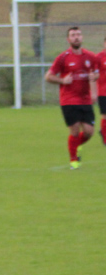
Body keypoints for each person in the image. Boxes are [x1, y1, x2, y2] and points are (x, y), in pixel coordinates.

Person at [44, 26, 99, 169]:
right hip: (68, 100)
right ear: (68, 39)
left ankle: (76, 146)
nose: (76, 37)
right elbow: (48, 76)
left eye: (78, 34)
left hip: (85, 100)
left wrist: (95, 77)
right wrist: (62, 81)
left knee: (89, 132)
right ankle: (74, 160)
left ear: (82, 37)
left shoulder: (90, 57)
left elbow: (97, 73)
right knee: (74, 130)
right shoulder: (63, 58)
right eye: (73, 35)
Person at [95, 35, 106, 145]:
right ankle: (105, 138)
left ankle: (102, 131)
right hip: (103, 92)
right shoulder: (99, 57)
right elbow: (95, 74)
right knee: (105, 115)